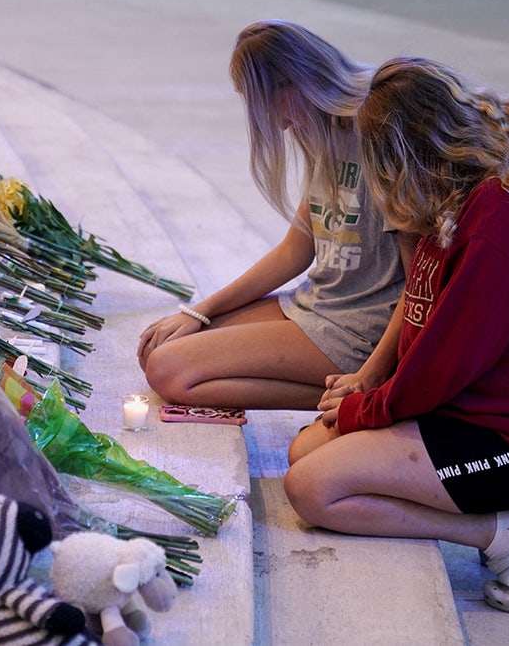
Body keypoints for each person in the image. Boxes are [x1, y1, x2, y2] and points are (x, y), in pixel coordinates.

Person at [284, 56, 509, 613]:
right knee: (306, 450)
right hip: (465, 413)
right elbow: (420, 317)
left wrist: (367, 409)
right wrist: (366, 386)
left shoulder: (501, 217)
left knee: (313, 489)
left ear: (407, 149)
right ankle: (492, 519)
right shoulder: (455, 195)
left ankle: (507, 531)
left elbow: (447, 363)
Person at [137, 21, 415, 410]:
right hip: (321, 303)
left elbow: (418, 280)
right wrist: (200, 310)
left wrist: (373, 369)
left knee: (169, 370)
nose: (259, 115)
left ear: (292, 84)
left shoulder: (374, 131)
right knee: (166, 344)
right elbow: (295, 251)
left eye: (257, 99)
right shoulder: (320, 128)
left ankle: (365, 396)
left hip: (358, 329)